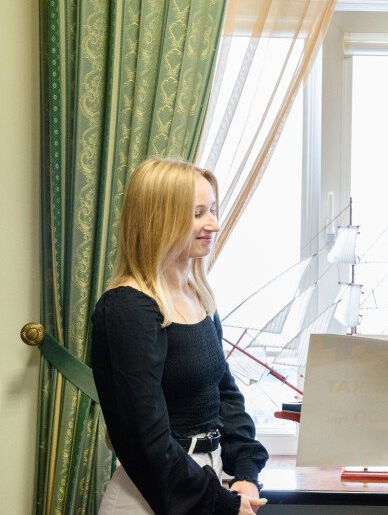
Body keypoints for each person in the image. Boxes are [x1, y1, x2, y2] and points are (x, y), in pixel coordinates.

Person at [91, 158, 269, 514]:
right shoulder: (127, 309)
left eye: (213, 209)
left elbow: (224, 393)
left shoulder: (199, 296)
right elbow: (145, 439)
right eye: (198, 213)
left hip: (206, 485)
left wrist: (245, 472)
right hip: (151, 499)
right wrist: (219, 503)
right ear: (160, 219)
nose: (214, 224)